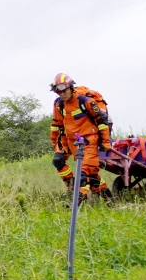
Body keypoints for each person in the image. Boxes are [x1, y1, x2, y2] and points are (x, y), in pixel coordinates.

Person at [48, 73, 112, 202]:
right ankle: (73, 187)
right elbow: (57, 126)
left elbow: (102, 122)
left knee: (83, 175)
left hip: (89, 142)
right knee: (58, 161)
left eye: (64, 90)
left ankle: (75, 203)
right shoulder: (59, 105)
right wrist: (57, 145)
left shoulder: (86, 102)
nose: (62, 94)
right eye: (58, 92)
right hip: (71, 142)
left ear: (71, 87)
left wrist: (105, 142)